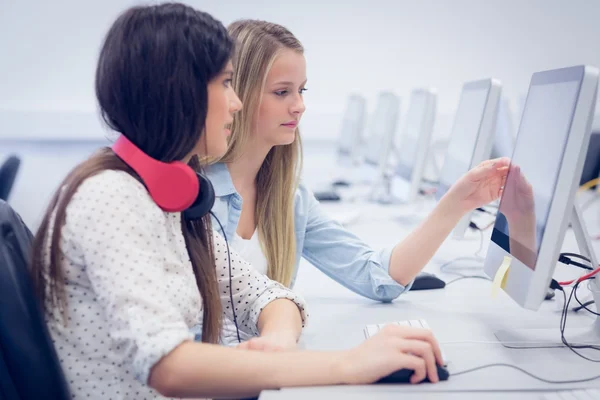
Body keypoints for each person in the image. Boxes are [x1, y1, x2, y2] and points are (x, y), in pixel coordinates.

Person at [29, 4, 445, 399]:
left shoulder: (174, 194)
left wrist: (278, 345)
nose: (237, 102)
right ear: (181, 92)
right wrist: (347, 365)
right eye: (226, 83)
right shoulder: (111, 198)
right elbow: (167, 365)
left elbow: (264, 294)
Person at [206, 19, 510, 345]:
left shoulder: (289, 198)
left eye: (301, 90)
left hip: (266, 371)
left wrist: (456, 203)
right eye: (282, 92)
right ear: (237, 94)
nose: (300, 106)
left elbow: (376, 277)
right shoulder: (195, 194)